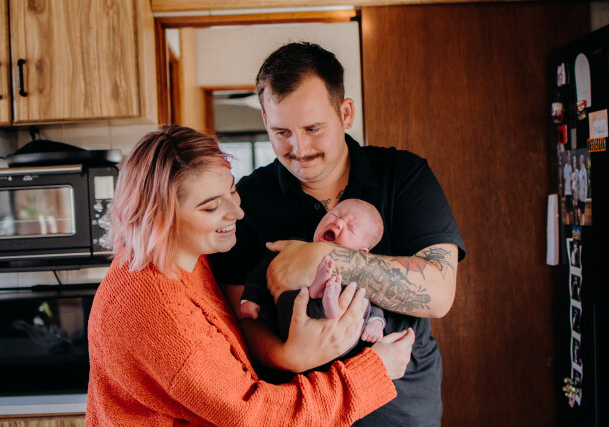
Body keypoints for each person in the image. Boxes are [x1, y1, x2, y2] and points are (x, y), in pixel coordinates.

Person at [86, 125, 416, 426]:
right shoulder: (159, 314)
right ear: (161, 217)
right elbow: (256, 416)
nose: (237, 211)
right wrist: (374, 372)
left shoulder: (185, 256)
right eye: (211, 207)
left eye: (232, 190)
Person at [210, 42, 466, 426]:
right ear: (265, 119)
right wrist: (293, 356)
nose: (299, 148)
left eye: (313, 129)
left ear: (345, 113)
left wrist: (321, 258)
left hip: (401, 412)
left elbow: (439, 292)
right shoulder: (247, 200)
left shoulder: (403, 175)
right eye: (281, 131)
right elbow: (242, 322)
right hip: (303, 412)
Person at [240, 199, 386, 346]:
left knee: (359, 295)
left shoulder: (358, 272)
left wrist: (376, 320)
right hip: (295, 326)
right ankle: (320, 295)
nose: (338, 223)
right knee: (291, 296)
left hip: (337, 338)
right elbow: (264, 269)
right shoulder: (295, 249)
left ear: (360, 253)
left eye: (350, 228)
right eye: (335, 215)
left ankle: (322, 295)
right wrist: (251, 297)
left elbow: (373, 299)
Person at [563, 151, 573, 224]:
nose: (568, 158)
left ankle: (570, 222)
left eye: (569, 157)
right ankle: (567, 222)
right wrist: (564, 192)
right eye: (567, 157)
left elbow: (571, 180)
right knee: (567, 210)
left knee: (571, 210)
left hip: (571, 191)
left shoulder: (571, 167)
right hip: (566, 192)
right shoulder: (565, 167)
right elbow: (565, 180)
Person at [577, 154, 587, 226]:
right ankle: (580, 223)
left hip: (583, 197)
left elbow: (585, 185)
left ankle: (582, 224)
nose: (581, 162)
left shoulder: (584, 171)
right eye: (580, 160)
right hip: (579, 196)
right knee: (578, 211)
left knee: (583, 213)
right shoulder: (579, 171)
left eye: (582, 160)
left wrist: (585, 197)